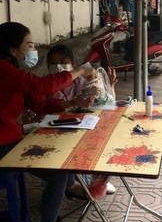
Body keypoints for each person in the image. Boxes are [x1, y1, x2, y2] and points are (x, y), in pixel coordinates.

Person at [0, 22, 94, 222]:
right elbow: (41, 86)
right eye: (30, 45)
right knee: (57, 172)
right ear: (13, 50)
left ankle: (71, 187)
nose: (33, 50)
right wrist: (78, 71)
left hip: (11, 138)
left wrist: (72, 102)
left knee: (62, 146)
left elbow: (40, 104)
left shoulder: (14, 72)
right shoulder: (3, 70)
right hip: (3, 145)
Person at [46, 44, 117, 195]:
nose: (58, 66)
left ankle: (95, 182)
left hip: (84, 128)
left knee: (100, 142)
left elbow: (107, 103)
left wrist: (108, 84)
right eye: (52, 63)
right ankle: (75, 185)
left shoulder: (83, 81)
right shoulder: (47, 86)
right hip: (58, 132)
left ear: (73, 63)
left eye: (62, 60)